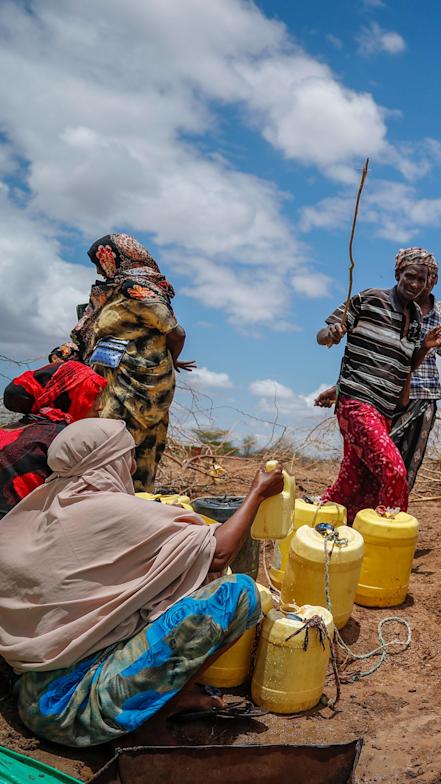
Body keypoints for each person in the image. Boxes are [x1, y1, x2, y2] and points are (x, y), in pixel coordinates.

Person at [0, 419, 284, 747]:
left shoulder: (42, 506)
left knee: (167, 582)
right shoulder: (108, 509)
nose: (133, 464)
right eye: (127, 455)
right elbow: (218, 552)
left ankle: (170, 697)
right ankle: (156, 717)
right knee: (239, 594)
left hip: (35, 698)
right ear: (109, 460)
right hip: (77, 710)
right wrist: (258, 492)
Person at [316, 248, 441, 489]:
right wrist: (339, 388)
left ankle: (389, 514)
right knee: (374, 460)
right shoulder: (382, 304)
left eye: (431, 276)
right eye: (415, 276)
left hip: (423, 396)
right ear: (400, 274)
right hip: (386, 398)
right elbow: (374, 358)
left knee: (406, 466)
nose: (426, 282)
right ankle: (365, 512)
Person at [50, 234, 194, 491]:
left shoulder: (134, 287)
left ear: (113, 258)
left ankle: (119, 506)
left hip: (136, 384)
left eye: (100, 262)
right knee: (122, 444)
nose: (98, 270)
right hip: (118, 380)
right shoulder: (120, 289)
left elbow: (175, 332)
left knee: (118, 443)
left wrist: (175, 359)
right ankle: (124, 504)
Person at [1, 361, 107, 518]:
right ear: (67, 397)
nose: (100, 406)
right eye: (92, 396)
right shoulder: (65, 438)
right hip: (20, 534)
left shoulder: (12, 429)